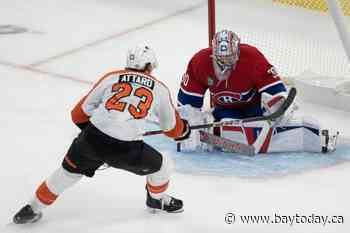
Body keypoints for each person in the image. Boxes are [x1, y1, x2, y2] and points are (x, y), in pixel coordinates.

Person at [13, 45, 191, 224]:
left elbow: (78, 114)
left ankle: (31, 208)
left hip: (91, 140)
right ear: (149, 65)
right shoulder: (159, 89)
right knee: (164, 165)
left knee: (66, 174)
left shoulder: (111, 78)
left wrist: (97, 137)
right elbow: (172, 129)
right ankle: (156, 199)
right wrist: (184, 130)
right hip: (127, 150)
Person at [177, 29, 337, 153]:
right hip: (225, 111)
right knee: (227, 128)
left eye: (230, 57)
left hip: (256, 109)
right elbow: (186, 106)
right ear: (213, 53)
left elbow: (276, 91)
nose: (226, 62)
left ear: (237, 52)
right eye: (222, 58)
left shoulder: (252, 58)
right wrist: (189, 125)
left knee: (268, 126)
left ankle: (315, 137)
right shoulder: (199, 62)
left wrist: (278, 107)